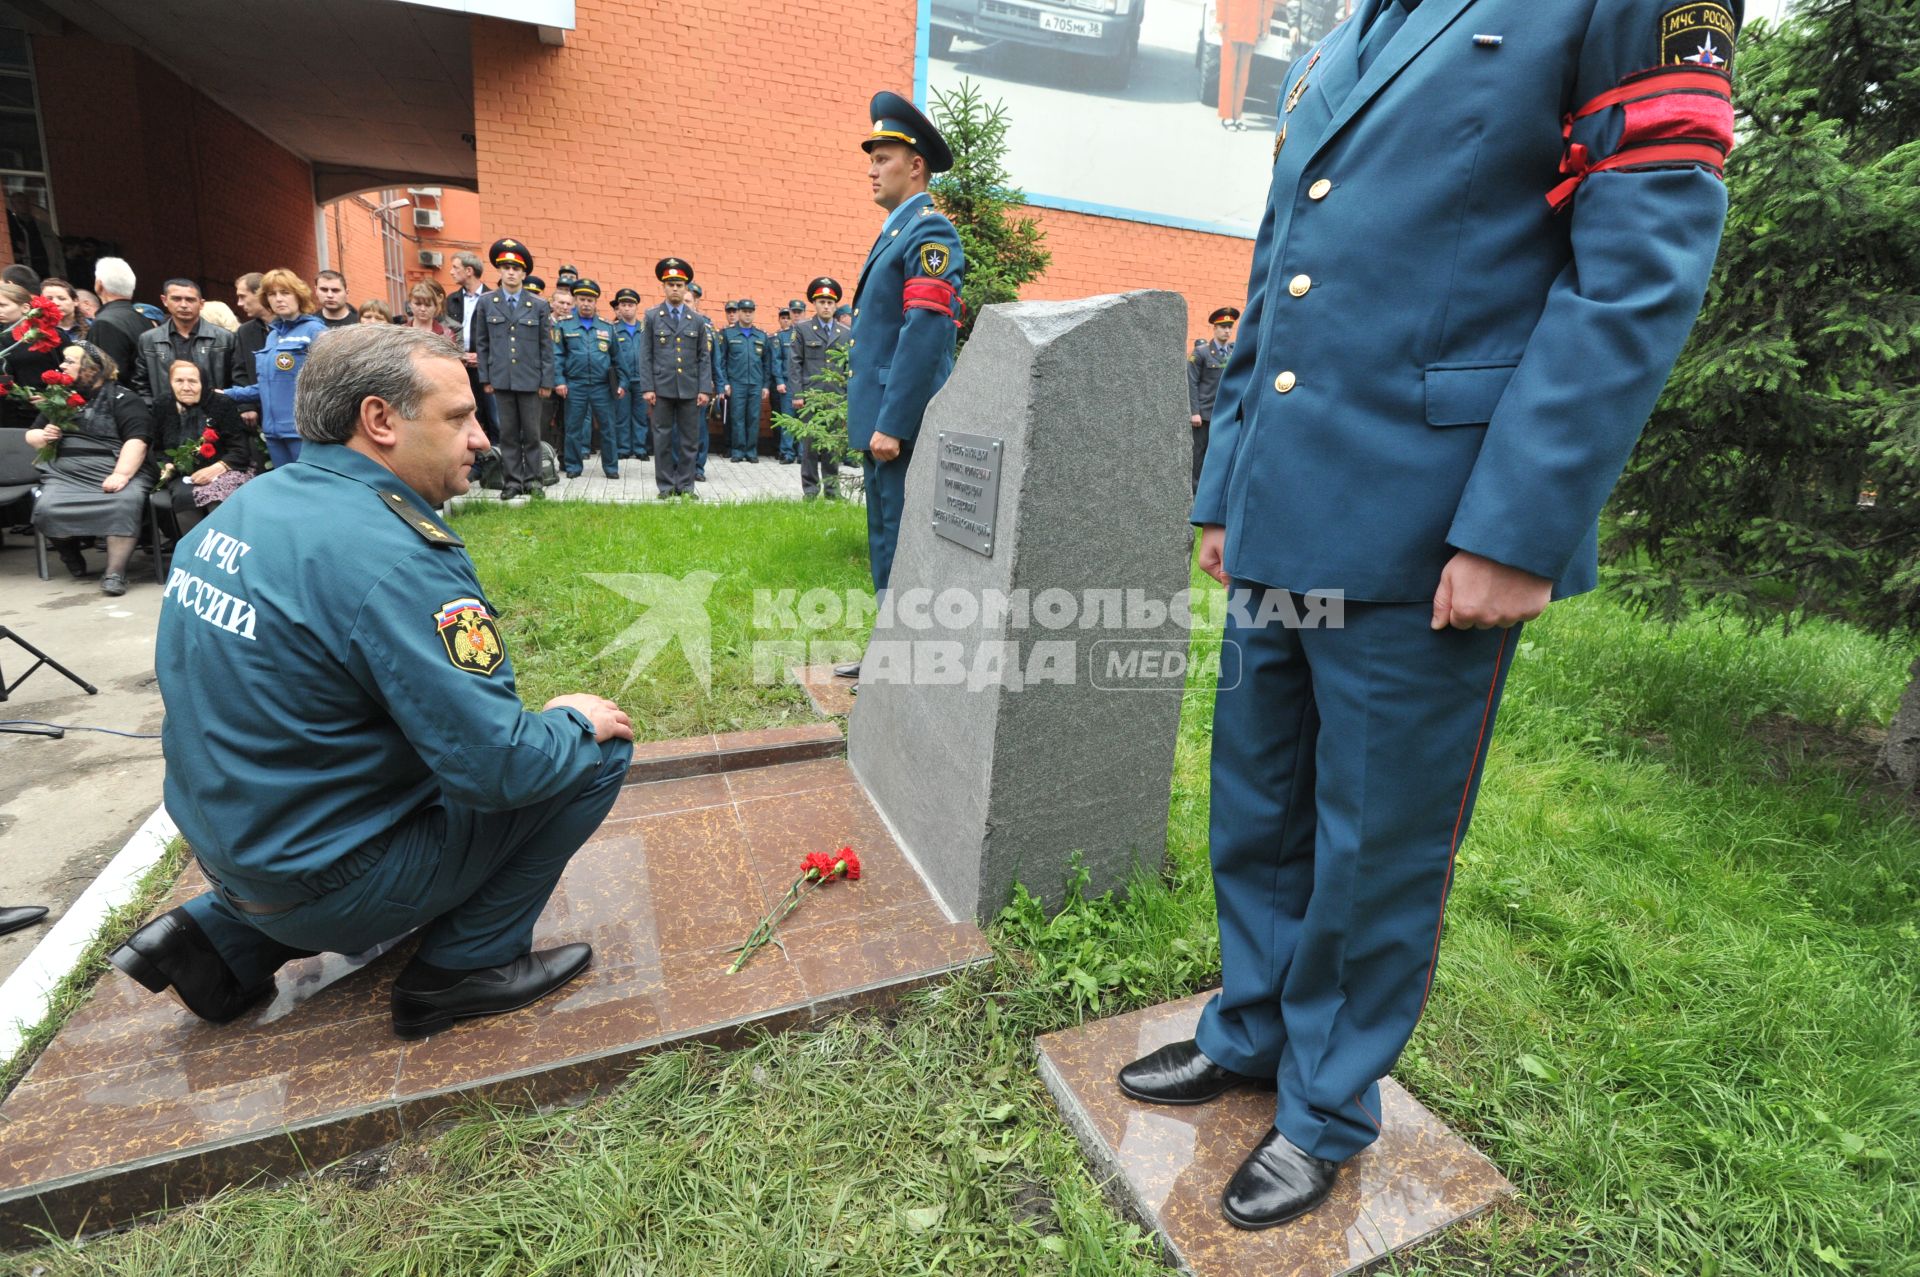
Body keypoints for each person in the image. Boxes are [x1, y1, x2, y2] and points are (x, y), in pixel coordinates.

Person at [1119, 0, 1741, 1231]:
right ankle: (1250, 1025)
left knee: (1376, 839)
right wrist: (1226, 481)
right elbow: (1283, 262)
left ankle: (1326, 1105)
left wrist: (1519, 525)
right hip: (1286, 501)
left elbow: (1635, 273)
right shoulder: (1357, 23)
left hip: (1431, 512)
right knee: (1258, 795)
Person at [115, 324, 635, 1037]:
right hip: (325, 875)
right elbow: (500, 767)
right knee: (594, 750)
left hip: (232, 851)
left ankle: (221, 938)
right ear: (380, 420)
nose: (481, 438)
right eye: (458, 417)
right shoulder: (395, 555)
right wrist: (571, 720)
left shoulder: (244, 507)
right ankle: (464, 967)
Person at [844, 90, 966, 678]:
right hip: (882, 420)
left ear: (914, 165)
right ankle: (887, 653)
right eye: (870, 156)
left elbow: (925, 330)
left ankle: (899, 663)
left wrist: (892, 422)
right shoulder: (896, 231)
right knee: (884, 536)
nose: (871, 168)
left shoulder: (929, 230)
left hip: (902, 424)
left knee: (899, 538)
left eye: (883, 156)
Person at [26, 343, 155, 595]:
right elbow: (31, 435)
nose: (62, 366)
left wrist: (121, 474)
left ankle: (115, 573)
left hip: (114, 469)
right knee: (46, 507)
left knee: (124, 502)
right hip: (66, 473)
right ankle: (70, 553)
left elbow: (137, 440)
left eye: (70, 362)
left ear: (92, 368)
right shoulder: (59, 398)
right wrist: (44, 435)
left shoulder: (124, 398)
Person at [473, 237, 555, 499]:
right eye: (506, 267)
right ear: (499, 270)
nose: (511, 272)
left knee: (531, 433)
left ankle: (533, 481)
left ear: (524, 273)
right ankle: (512, 482)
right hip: (501, 379)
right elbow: (482, 343)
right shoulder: (487, 303)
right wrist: (485, 377)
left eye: (516, 268)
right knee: (507, 434)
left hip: (530, 379)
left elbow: (546, 347)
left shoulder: (539, 306)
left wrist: (546, 381)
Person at [224, 268, 329, 467]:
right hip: (273, 433)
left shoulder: (315, 330)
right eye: (272, 294)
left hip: (303, 432)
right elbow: (266, 385)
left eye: (285, 293)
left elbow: (331, 381)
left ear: (298, 296)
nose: (278, 299)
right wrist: (228, 394)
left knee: (308, 490)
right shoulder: (273, 336)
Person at [148, 359, 256, 542]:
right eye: (179, 381)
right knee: (184, 496)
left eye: (192, 381)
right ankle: (194, 553)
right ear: (171, 383)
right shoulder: (162, 405)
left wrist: (215, 469)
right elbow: (157, 447)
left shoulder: (221, 403)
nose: (186, 387)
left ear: (203, 383)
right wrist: (166, 464)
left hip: (227, 468)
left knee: (217, 496)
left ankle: (224, 552)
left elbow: (240, 450)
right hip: (183, 473)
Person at [636, 258, 713, 499]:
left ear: (686, 288)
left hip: (690, 389)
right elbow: (645, 355)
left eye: (679, 284)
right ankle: (666, 487)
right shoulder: (651, 316)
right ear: (663, 287)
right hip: (661, 388)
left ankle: (687, 487)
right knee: (662, 439)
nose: (675, 288)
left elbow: (703, 357)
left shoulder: (698, 320)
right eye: (670, 284)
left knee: (690, 441)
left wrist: (704, 389)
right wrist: (647, 387)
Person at [553, 278, 621, 479]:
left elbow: (618, 358)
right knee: (573, 428)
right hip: (575, 384)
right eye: (582, 299)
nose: (586, 303)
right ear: (575, 301)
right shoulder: (564, 326)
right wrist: (559, 380)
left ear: (595, 302)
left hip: (602, 386)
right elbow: (557, 355)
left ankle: (611, 468)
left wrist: (622, 383)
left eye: (590, 300)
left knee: (608, 428)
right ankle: (574, 466)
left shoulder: (608, 327)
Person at [789, 278, 849, 502]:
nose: (826, 306)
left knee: (833, 447)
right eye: (822, 301)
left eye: (830, 303)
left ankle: (833, 491)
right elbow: (795, 363)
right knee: (811, 447)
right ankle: (811, 491)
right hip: (811, 399)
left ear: (835, 306)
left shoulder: (845, 334)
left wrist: (846, 401)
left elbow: (848, 368)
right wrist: (797, 395)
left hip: (836, 399)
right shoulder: (803, 330)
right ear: (815, 303)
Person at [132, 278, 237, 405]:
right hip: (166, 416)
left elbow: (236, 378)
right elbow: (141, 383)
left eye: (190, 299)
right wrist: (153, 410)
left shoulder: (225, 338)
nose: (183, 305)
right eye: (176, 299)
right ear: (164, 300)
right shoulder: (149, 339)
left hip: (213, 413)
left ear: (201, 303)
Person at [444, 251, 496, 442]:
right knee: (464, 413)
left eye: (455, 267)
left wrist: (482, 357)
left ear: (469, 270)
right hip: (459, 366)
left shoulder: (493, 299)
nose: (451, 272)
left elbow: (499, 337)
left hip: (487, 368)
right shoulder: (451, 300)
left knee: (492, 417)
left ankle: (495, 459)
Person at [716, 298, 773, 463]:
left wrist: (766, 385)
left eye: (750, 312)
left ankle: (751, 451)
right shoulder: (728, 334)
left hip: (756, 383)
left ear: (753, 313)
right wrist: (725, 382)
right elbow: (722, 361)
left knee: (754, 417)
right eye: (744, 311)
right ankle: (738, 451)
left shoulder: (761, 336)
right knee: (737, 417)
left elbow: (766, 363)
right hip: (736, 383)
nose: (747, 315)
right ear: (739, 312)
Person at [1187, 306, 1238, 491]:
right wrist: (1194, 412)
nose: (1227, 330)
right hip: (1204, 414)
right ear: (1214, 328)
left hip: (1225, 413)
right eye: (1223, 326)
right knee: (1199, 453)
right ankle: (1194, 493)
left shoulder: (1234, 353)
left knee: (1219, 453)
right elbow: (1191, 383)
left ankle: (1212, 491)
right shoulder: (1201, 352)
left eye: (1229, 327)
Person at [0, 280, 61, 430]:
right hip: (11, 415)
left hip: (50, 412)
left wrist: (54, 397)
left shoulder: (50, 335)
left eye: (3, 305)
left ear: (25, 308)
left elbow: (71, 370)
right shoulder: (3, 337)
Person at [86, 258, 157, 384]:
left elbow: (110, 377)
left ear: (99, 284)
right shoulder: (144, 319)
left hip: (122, 400)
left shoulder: (104, 324)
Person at [1218, 0, 1279, 130]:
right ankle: (1226, 115)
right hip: (1231, 23)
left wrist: (1264, 25)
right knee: (1228, 74)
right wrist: (1220, 19)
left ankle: (1236, 116)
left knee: (1242, 77)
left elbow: (1267, 3)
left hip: (1250, 26)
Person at [609, 287, 649, 461]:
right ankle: (623, 448)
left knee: (641, 416)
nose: (626, 308)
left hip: (642, 379)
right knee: (621, 415)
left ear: (636, 307)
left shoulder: (646, 329)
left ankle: (640, 448)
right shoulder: (613, 329)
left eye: (630, 305)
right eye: (623, 305)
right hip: (621, 380)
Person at [687, 282, 716, 481]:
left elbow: (715, 359)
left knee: (699, 428)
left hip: (699, 386)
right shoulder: (666, 322)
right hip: (675, 384)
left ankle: (698, 468)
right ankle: (677, 466)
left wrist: (717, 384)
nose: (687, 303)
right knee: (674, 429)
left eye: (691, 300)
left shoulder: (706, 326)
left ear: (697, 301)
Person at [770, 300, 804, 464]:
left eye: (800, 312)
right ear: (790, 313)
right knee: (787, 420)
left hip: (805, 385)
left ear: (804, 313)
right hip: (787, 383)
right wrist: (778, 381)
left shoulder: (810, 333)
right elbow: (776, 360)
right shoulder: (782, 336)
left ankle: (803, 455)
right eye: (794, 312)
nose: (797, 315)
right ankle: (787, 453)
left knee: (804, 420)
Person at [37, 277, 83, 341]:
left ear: (75, 301)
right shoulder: (37, 332)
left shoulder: (92, 326)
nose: (55, 303)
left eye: (62, 298)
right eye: (49, 299)